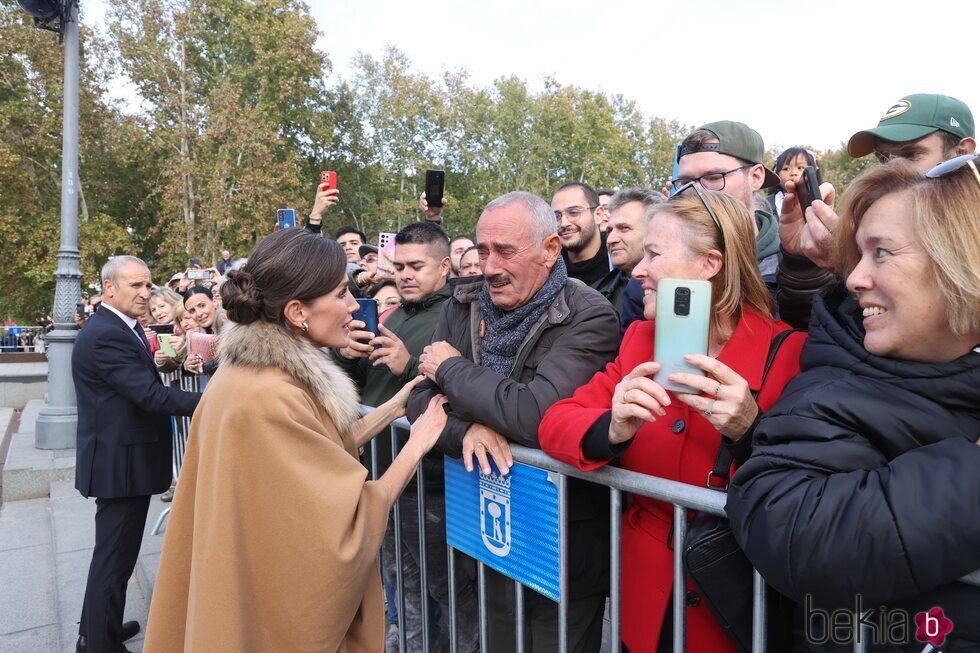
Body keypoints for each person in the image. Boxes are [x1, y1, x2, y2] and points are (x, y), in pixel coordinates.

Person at [143, 228, 451, 652]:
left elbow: (325, 448)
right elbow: (346, 521)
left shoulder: (254, 376)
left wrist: (396, 407)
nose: (351, 307)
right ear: (296, 312)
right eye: (342, 293)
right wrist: (417, 445)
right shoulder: (272, 395)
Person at [727, 157, 980, 652]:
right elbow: (789, 523)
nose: (854, 279)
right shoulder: (835, 386)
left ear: (962, 261)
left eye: (881, 253)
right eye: (860, 255)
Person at [538, 188, 805, 652]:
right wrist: (612, 429)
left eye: (654, 254)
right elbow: (556, 424)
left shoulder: (787, 352)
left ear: (710, 264)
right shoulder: (641, 338)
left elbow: (807, 482)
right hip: (642, 600)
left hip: (732, 603)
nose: (638, 270)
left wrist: (750, 429)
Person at [407, 191, 620, 652]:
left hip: (560, 546)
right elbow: (419, 399)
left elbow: (535, 416)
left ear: (549, 249)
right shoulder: (463, 304)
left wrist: (450, 371)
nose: (488, 267)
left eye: (506, 251)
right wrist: (467, 431)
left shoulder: (589, 314)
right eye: (483, 251)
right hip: (486, 532)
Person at [336, 221, 479, 652]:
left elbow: (465, 383)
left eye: (416, 265)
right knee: (401, 581)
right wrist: (346, 357)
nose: (405, 274)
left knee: (447, 587)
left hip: (429, 481)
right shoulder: (393, 314)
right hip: (381, 475)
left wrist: (409, 363)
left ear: (445, 266)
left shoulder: (461, 316)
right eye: (399, 265)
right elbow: (365, 389)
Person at [72, 255, 202, 653]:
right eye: (136, 286)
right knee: (114, 560)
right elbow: (149, 396)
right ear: (110, 288)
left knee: (116, 558)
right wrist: (217, 400)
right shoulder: (107, 333)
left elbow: (136, 383)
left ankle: (97, 631)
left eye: (148, 286)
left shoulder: (116, 326)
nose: (146, 294)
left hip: (121, 458)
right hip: (119, 464)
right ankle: (99, 643)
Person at [595, 188, 661, 314]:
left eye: (624, 228)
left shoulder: (677, 291)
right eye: (609, 231)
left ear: (655, 229)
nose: (610, 239)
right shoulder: (596, 295)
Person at [551, 182, 610, 288]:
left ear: (598, 215)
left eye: (574, 213)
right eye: (557, 216)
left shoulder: (620, 265)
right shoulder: (547, 270)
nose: (564, 223)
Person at [767, 147, 821, 217]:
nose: (793, 173)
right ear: (777, 174)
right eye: (786, 169)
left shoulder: (821, 203)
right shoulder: (763, 205)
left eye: (800, 168)